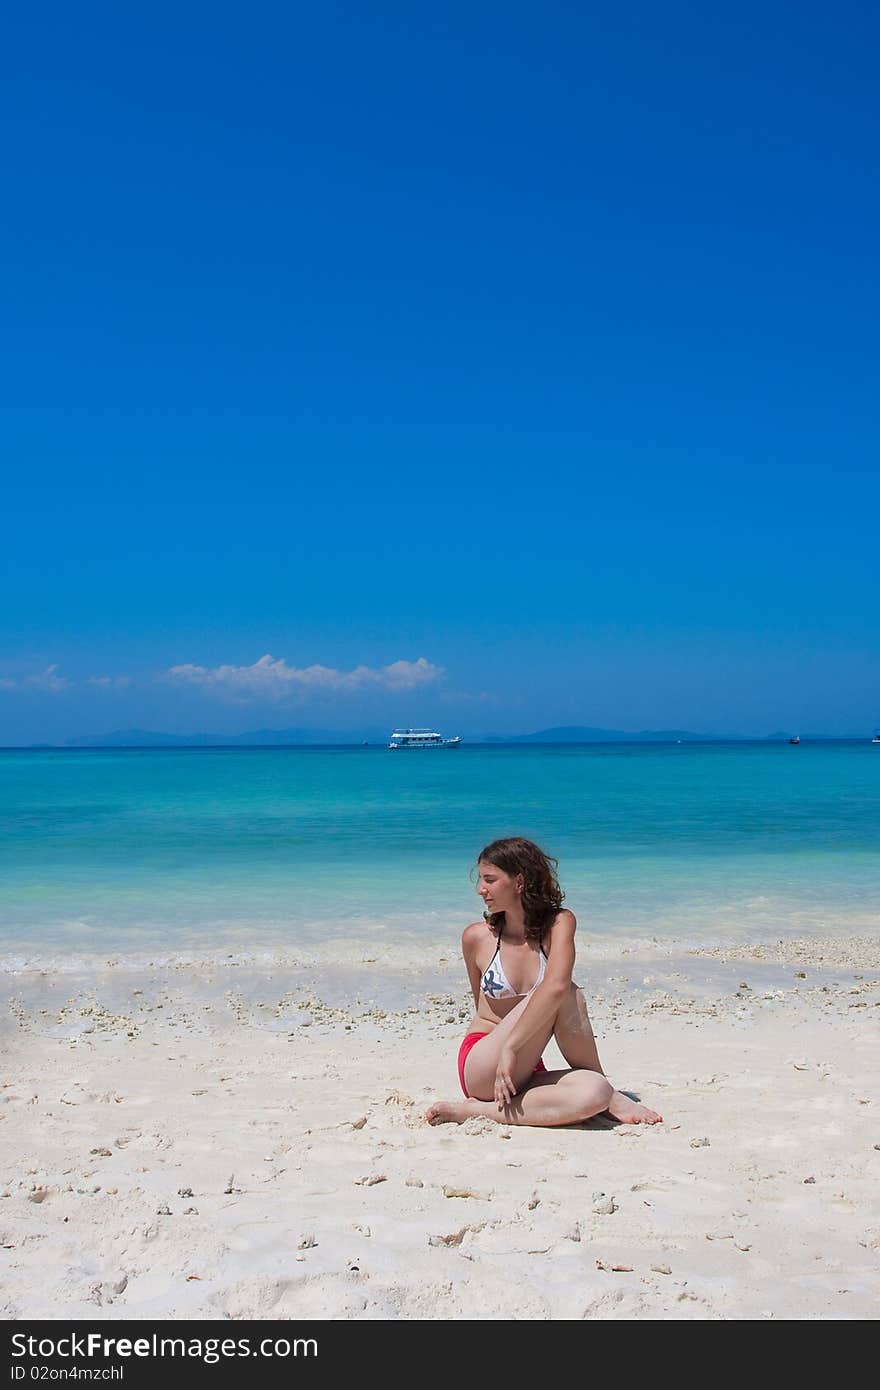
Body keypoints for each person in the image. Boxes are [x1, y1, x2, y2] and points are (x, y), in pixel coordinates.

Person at [426, 837, 663, 1127]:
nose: (480, 890)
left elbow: (556, 987)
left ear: (519, 881)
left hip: (523, 1060)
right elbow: (483, 1009)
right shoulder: (476, 938)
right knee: (565, 991)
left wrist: (516, 1049)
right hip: (484, 1061)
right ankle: (608, 1096)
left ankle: (475, 1111)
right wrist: (508, 1048)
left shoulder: (559, 924)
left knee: (593, 1091)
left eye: (489, 880)